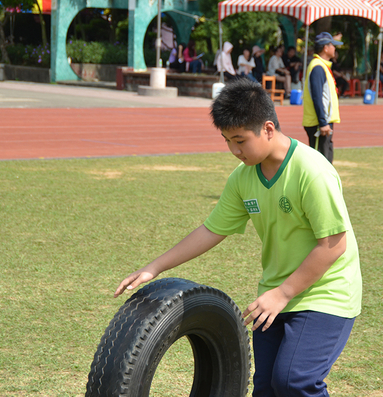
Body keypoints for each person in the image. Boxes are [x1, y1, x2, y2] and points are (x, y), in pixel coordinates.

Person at [114, 78, 362, 397]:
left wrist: (283, 293)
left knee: (294, 381)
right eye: (227, 140)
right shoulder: (243, 178)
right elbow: (211, 229)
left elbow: (333, 245)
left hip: (327, 291)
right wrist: (155, 267)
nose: (234, 150)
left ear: (268, 129)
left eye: (241, 140)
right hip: (275, 294)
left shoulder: (312, 171)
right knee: (266, 389)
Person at [302, 32, 343, 163]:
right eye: (333, 45)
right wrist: (323, 123)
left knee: (326, 158)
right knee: (320, 162)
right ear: (326, 48)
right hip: (319, 123)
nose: (335, 49)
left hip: (322, 121)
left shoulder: (322, 66)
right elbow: (317, 96)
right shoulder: (318, 67)